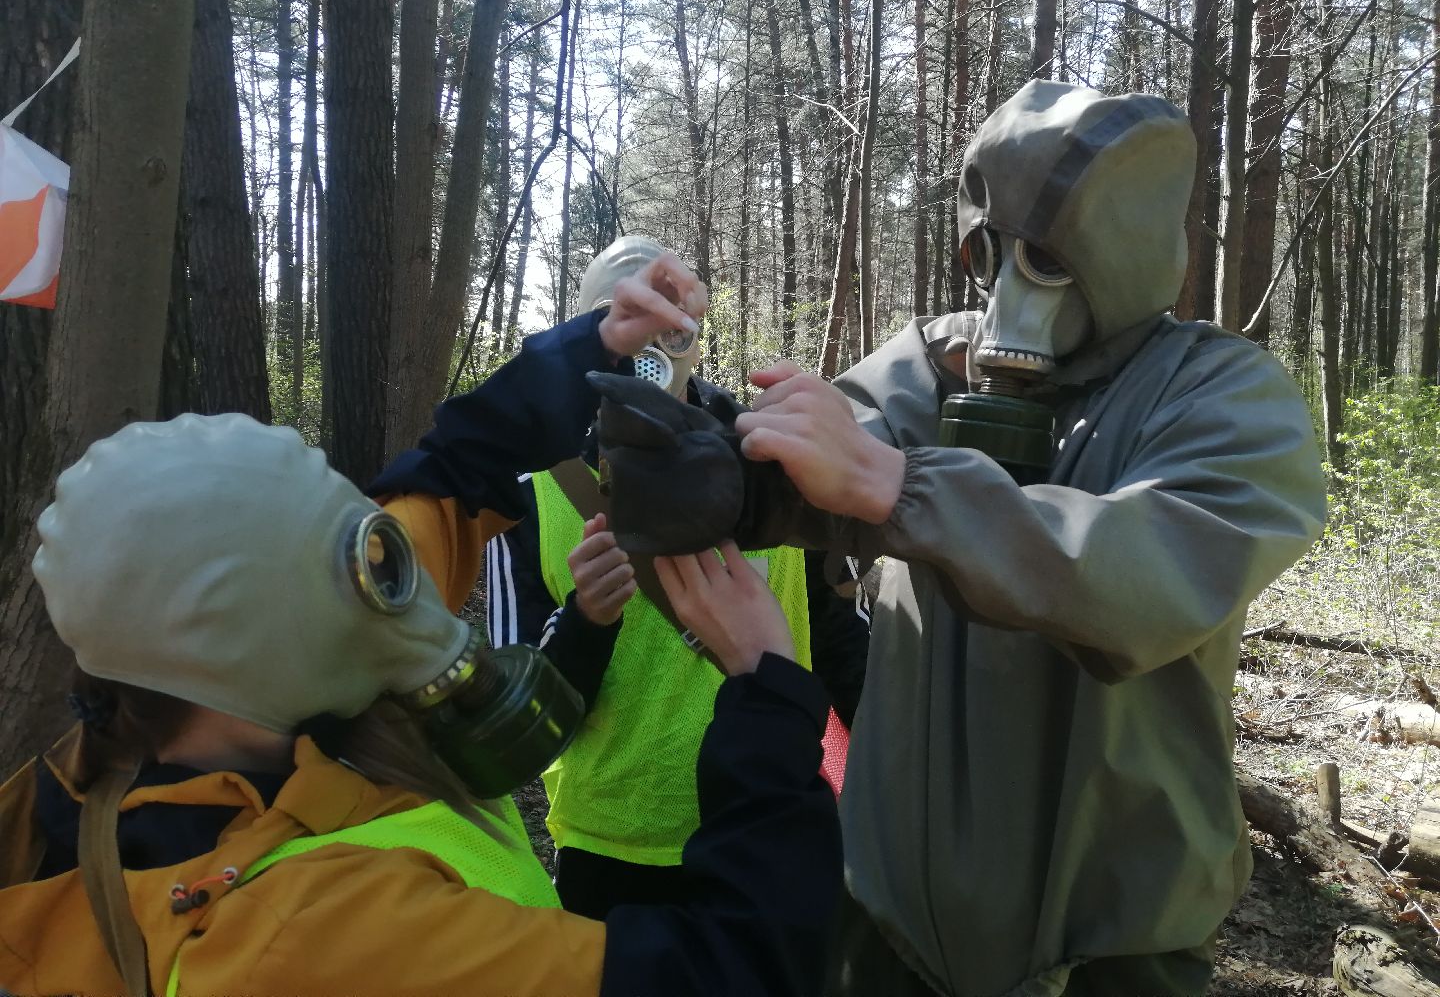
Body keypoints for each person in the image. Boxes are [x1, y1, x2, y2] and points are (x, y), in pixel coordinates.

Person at [599, 82, 1329, 995]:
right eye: (995, 251)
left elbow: (1150, 575)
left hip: (1107, 952)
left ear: (1126, 251)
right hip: (890, 925)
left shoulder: (1221, 396)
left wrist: (903, 487)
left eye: (1052, 258)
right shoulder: (934, 365)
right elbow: (816, 474)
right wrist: (702, 458)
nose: (1013, 287)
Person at [0, 266, 842, 997]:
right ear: (253, 640)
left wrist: (599, 343)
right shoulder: (314, 936)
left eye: (370, 541)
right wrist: (765, 686)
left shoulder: (241, 664)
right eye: (360, 562)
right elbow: (733, 974)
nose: (394, 580)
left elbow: (449, 474)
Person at [482, 235, 870, 919]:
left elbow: (840, 639)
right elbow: (509, 723)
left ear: (692, 330)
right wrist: (584, 623)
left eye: (667, 317)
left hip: (772, 817)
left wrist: (902, 772)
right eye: (621, 315)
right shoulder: (530, 490)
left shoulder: (768, 460)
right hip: (612, 850)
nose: (645, 338)